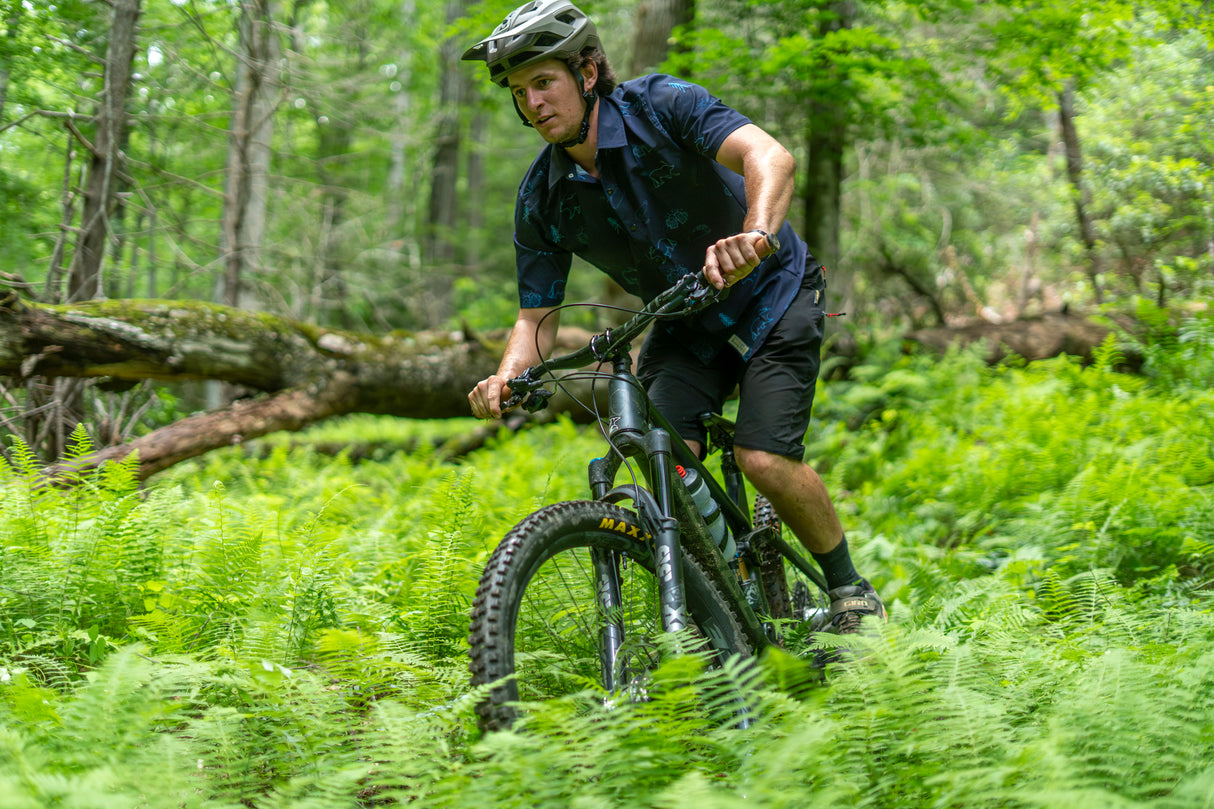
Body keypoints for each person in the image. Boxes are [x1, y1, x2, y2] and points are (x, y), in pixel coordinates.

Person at [463, 0, 885, 635]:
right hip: (683, 321)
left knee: (763, 460)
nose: (534, 103)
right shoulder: (541, 198)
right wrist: (505, 377)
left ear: (586, 71)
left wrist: (756, 235)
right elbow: (535, 319)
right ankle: (733, 598)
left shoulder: (659, 105)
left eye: (544, 82)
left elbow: (770, 158)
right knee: (667, 467)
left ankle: (850, 589)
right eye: (520, 92)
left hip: (774, 293)